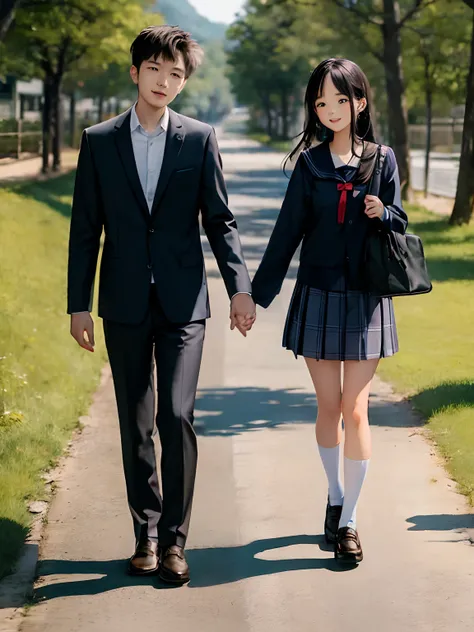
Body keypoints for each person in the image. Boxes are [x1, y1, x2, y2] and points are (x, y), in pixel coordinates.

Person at [67, 25, 256, 585]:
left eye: (176, 74)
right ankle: (143, 537)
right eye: (156, 69)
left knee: (175, 417)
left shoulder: (199, 139)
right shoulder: (99, 140)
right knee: (135, 423)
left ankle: (175, 541)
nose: (165, 81)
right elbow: (85, 230)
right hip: (122, 303)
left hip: (182, 304)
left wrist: (239, 287)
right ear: (135, 71)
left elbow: (219, 220)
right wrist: (79, 303)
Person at [252, 58, 407, 564]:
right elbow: (286, 233)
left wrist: (382, 212)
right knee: (329, 406)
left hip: (365, 298)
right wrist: (255, 295)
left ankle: (349, 521)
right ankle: (335, 495)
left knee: (356, 408)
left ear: (359, 102)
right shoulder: (311, 164)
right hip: (318, 293)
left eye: (341, 99)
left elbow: (400, 219)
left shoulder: (382, 160)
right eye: (322, 101)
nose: (331, 109)